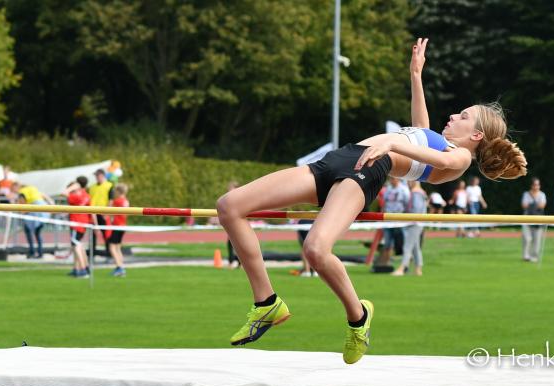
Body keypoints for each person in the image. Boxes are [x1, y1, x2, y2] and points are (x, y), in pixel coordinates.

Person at [215, 38, 527, 364]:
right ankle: (266, 303)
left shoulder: (459, 157)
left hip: (367, 170)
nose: (453, 115)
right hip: (341, 158)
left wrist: (392, 142)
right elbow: (420, 128)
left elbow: (439, 161)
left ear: (476, 135)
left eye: (463, 116)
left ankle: (358, 316)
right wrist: (416, 75)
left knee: (315, 249)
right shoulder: (438, 142)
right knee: (230, 206)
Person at [392, 181, 428, 276]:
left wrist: (406, 215)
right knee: (415, 248)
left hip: (414, 222)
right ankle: (418, 269)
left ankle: (402, 268)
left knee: (407, 246)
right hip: (417, 222)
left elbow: (416, 209)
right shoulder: (420, 192)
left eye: (409, 181)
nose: (408, 183)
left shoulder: (416, 193)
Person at [11, 183, 54, 259]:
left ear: (16, 187)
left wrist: (21, 215)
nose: (13, 191)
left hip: (35, 211)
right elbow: (44, 196)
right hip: (43, 209)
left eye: (12, 189)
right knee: (37, 233)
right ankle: (39, 253)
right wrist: (51, 204)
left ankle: (32, 252)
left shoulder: (22, 191)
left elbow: (22, 204)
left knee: (29, 231)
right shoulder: (32, 188)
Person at [62, 177, 91, 278]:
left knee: (76, 246)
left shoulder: (76, 195)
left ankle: (83, 270)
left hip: (77, 223)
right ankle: (79, 268)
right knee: (78, 246)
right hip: (83, 223)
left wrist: (71, 188)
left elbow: (64, 193)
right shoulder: (86, 195)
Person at [378, 177, 410, 265]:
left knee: (402, 242)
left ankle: (406, 262)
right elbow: (384, 203)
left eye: (393, 179)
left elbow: (407, 204)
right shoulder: (388, 189)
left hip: (399, 219)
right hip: (388, 219)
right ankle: (386, 263)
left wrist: (405, 218)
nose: (391, 180)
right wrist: (382, 216)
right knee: (387, 242)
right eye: (391, 179)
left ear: (398, 179)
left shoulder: (404, 190)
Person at [88, 169, 114, 257]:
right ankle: (92, 254)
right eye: (95, 176)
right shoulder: (92, 187)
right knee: (93, 234)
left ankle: (109, 253)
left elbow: (111, 200)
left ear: (102, 175)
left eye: (97, 175)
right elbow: (90, 200)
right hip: (94, 213)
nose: (96, 177)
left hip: (104, 213)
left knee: (106, 234)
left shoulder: (109, 185)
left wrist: (107, 213)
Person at [521, 178, 546, 262]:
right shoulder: (526, 194)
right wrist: (535, 205)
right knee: (527, 238)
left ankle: (534, 256)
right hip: (527, 218)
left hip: (538, 219)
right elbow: (524, 205)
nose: (536, 187)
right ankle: (526, 256)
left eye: (538, 185)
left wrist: (531, 205)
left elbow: (542, 205)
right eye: (535, 185)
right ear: (531, 185)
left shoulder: (542, 194)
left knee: (537, 239)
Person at [108, 183, 129, 277]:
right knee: (118, 247)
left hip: (117, 226)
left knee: (112, 247)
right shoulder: (126, 201)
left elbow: (109, 210)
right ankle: (121, 267)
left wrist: (110, 202)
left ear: (118, 191)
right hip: (123, 225)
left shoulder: (118, 201)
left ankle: (119, 267)